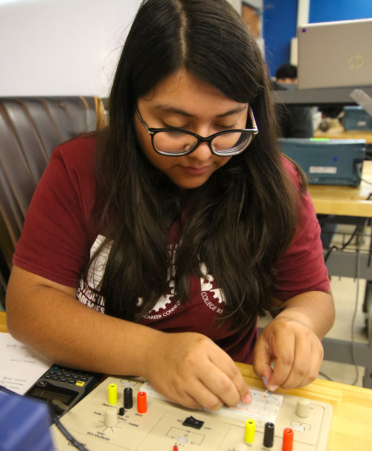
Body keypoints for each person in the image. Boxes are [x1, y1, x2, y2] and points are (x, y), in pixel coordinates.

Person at [5, 0, 334, 412]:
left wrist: (297, 323)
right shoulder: (80, 169)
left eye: (226, 125)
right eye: (175, 126)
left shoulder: (276, 184)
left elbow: (311, 294)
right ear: (130, 106)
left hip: (228, 394)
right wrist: (153, 353)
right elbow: (28, 306)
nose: (201, 152)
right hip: (106, 383)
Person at [272, 64, 314, 138]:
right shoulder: (272, 100)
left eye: (297, 80)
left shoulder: (299, 103)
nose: (295, 83)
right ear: (280, 80)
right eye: (292, 80)